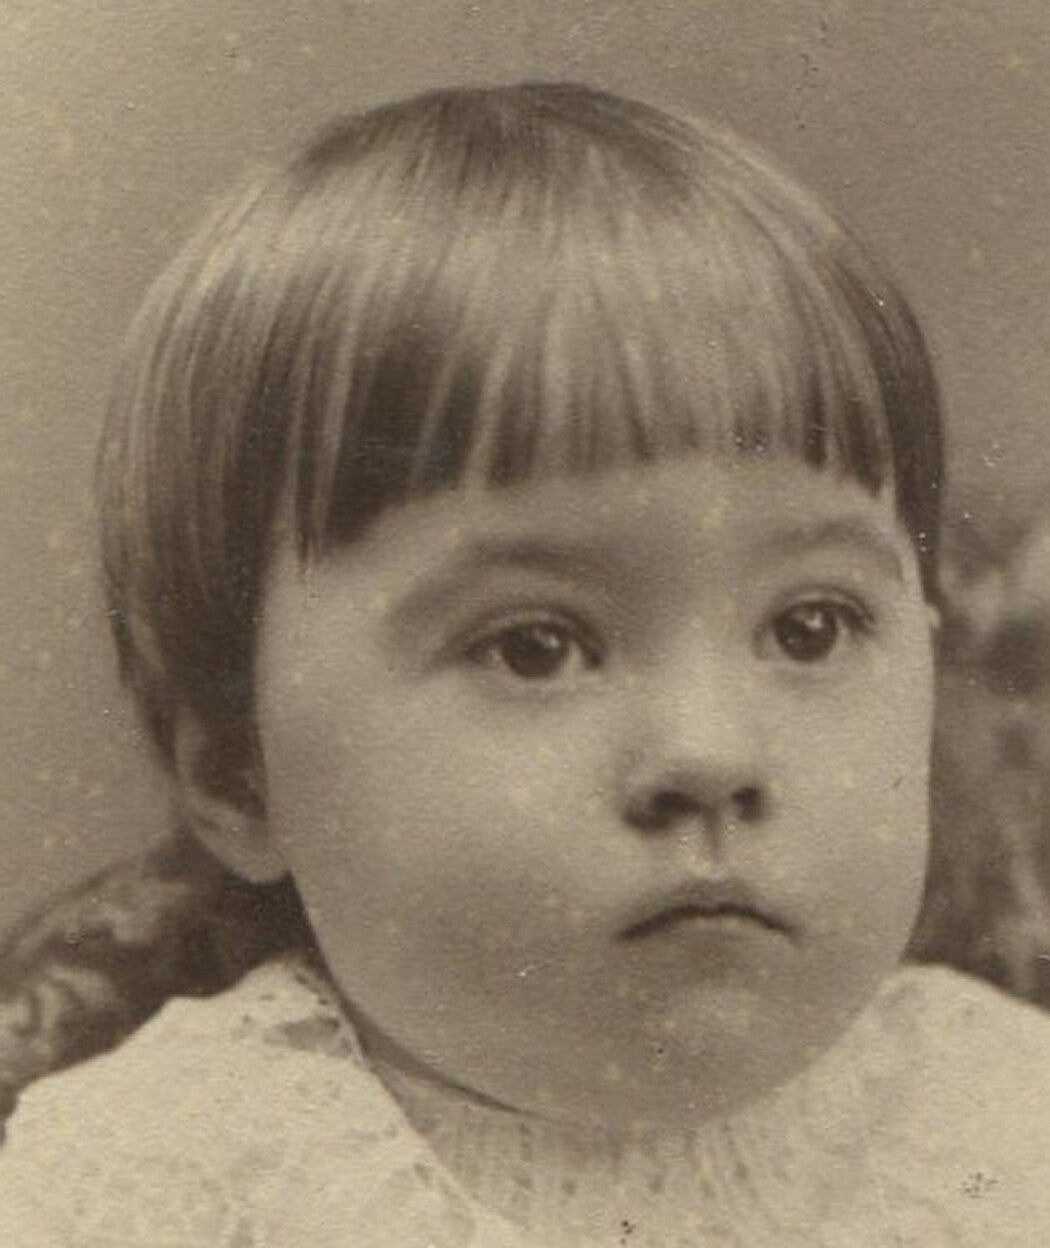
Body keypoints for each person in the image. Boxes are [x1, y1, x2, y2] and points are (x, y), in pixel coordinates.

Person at [1, 81, 1049, 1246]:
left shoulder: (1002, 1125)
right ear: (239, 775)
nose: (708, 753)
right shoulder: (165, 1182)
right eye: (535, 648)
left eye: (809, 627)